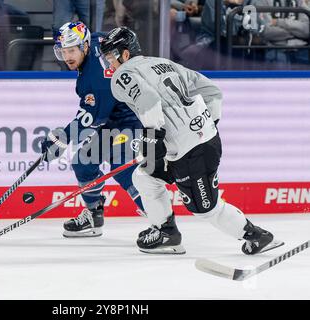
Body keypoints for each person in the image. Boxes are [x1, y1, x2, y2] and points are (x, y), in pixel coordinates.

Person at [100, 26, 285, 254]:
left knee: (205, 209)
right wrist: (205, 126)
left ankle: (256, 236)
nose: (109, 64)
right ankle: (166, 232)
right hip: (194, 143)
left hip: (191, 151)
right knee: (145, 175)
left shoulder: (122, 74)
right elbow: (212, 91)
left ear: (125, 54)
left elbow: (148, 100)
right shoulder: (163, 63)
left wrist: (153, 137)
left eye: (110, 57)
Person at [41, 22, 145, 238]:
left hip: (134, 119)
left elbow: (89, 120)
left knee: (122, 166)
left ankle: (163, 224)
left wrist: (61, 139)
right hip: (112, 118)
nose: (67, 56)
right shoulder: (95, 40)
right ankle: (93, 215)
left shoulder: (94, 80)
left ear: (85, 47)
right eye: (63, 51)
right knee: (83, 163)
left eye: (72, 51)